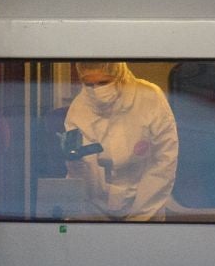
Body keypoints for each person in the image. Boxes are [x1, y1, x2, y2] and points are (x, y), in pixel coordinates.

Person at [64, 62, 178, 221]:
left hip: (145, 198)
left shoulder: (149, 97)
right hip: (96, 205)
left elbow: (164, 161)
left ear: (120, 76)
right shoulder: (79, 108)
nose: (96, 90)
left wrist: (141, 216)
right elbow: (82, 168)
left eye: (104, 82)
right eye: (88, 84)